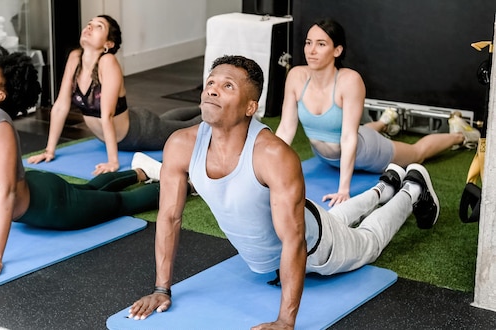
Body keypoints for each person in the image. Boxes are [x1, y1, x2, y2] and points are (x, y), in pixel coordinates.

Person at [127, 55, 440, 329]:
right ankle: (384, 187)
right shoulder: (181, 145)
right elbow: (168, 218)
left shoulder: (273, 156)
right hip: (301, 222)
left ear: (252, 107)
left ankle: (411, 189)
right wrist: (161, 289)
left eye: (228, 86)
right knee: (331, 217)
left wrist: (285, 321)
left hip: (319, 249)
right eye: (210, 82)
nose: (212, 89)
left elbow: (296, 240)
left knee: (368, 240)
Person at [0, 47, 165, 282]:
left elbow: (8, 192)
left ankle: (180, 185)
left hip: (50, 207)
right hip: (36, 188)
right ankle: (140, 172)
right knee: (92, 189)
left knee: (119, 205)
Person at [275, 18, 479, 207]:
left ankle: (460, 135)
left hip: (365, 153)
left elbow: (348, 137)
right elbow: (285, 129)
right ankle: (385, 122)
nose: (311, 50)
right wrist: (269, 168)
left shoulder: (349, 81)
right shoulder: (296, 76)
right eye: (308, 42)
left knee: (417, 154)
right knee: (359, 129)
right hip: (324, 157)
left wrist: (343, 189)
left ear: (337, 50)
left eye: (321, 44)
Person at [26, 15, 202, 175]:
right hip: (122, 131)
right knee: (167, 120)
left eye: (99, 26)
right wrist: (49, 150)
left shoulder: (107, 62)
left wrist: (113, 161)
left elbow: (107, 115)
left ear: (108, 44)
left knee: (186, 128)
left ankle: (214, 112)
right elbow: (60, 106)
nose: (89, 27)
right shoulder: (75, 57)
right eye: (89, 24)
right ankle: (199, 106)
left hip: (138, 132)